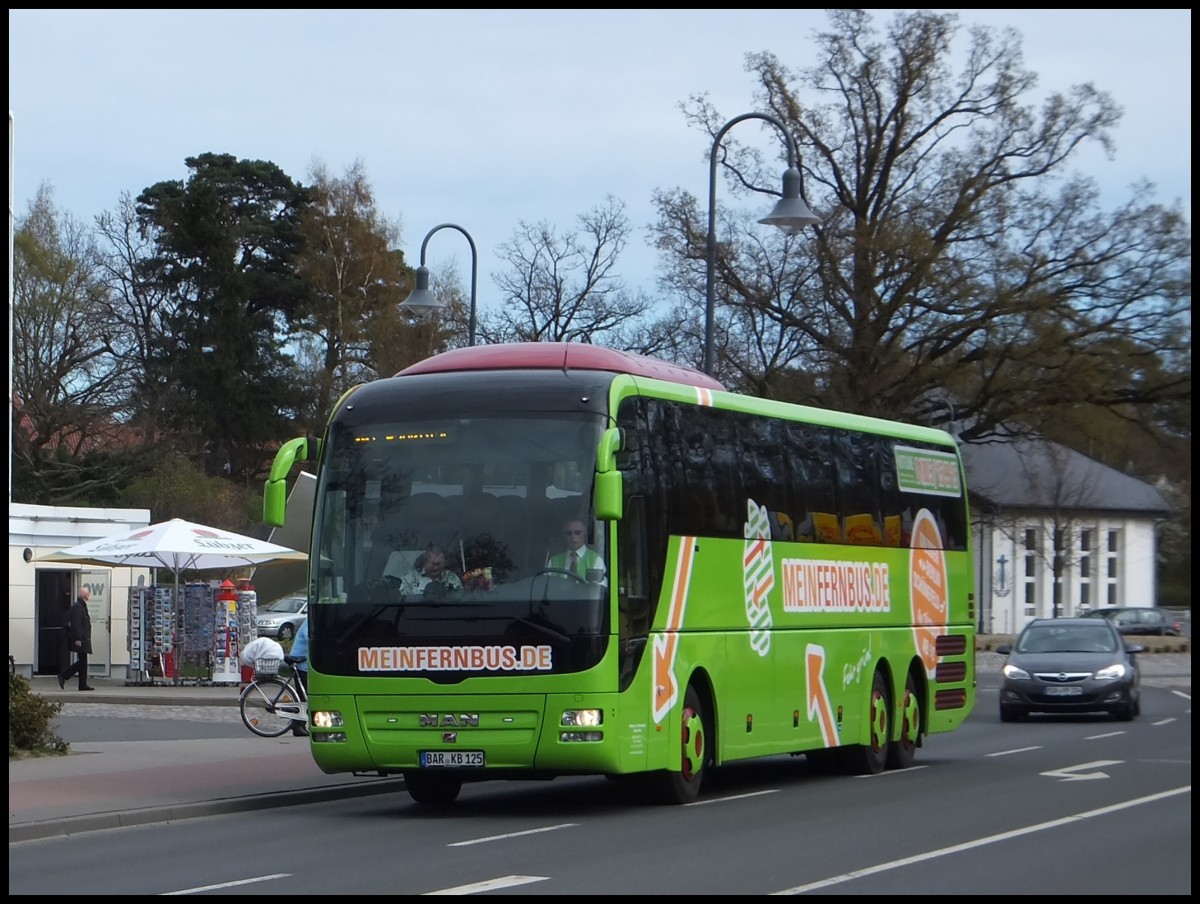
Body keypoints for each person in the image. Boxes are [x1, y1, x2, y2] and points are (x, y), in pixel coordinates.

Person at [546, 518, 607, 584]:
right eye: (569, 533)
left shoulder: (596, 560)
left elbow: (598, 590)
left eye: (577, 532)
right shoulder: (553, 561)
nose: (573, 536)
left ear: (584, 533)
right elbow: (547, 587)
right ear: (564, 536)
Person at [57, 586, 96, 691]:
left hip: (82, 637)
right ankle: (64, 676)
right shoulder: (78, 607)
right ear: (84, 595)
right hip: (80, 638)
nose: (89, 595)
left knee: (83, 661)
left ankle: (82, 684)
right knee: (82, 661)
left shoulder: (81, 606)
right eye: (87, 594)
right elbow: (76, 624)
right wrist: (78, 638)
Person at [399, 544, 463, 597]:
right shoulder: (409, 578)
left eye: (439, 564)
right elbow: (400, 600)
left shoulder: (452, 578)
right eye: (433, 564)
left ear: (444, 564)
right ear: (425, 561)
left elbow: (460, 599)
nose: (435, 568)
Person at [287, 617, 309, 737]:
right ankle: (297, 725)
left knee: (304, 694)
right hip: (300, 663)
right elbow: (309, 636)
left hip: (306, 663)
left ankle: (300, 724)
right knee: (302, 695)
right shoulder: (311, 621)